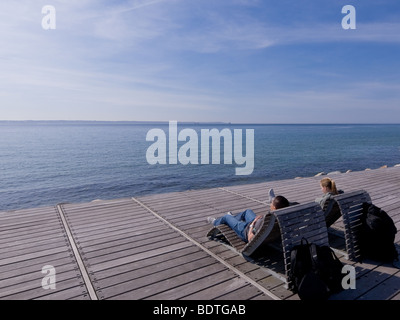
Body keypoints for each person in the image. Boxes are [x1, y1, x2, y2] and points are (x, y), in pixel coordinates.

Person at [207, 189, 289, 243]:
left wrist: (253, 223)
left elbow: (250, 239)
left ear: (274, 208)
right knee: (247, 211)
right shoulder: (283, 217)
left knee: (226, 217)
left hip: (244, 230)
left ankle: (215, 222)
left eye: (271, 203)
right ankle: (233, 218)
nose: (270, 205)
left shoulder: (268, 220)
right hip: (256, 225)